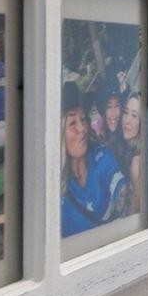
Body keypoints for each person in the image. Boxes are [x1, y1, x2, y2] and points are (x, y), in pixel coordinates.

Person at [60, 85, 130, 236]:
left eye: (83, 119)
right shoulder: (52, 186)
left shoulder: (101, 157)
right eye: (72, 123)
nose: (82, 128)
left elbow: (121, 191)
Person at [119, 88, 144, 202]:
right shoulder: (128, 147)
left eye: (134, 115)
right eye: (126, 112)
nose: (127, 120)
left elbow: (136, 205)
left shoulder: (136, 162)